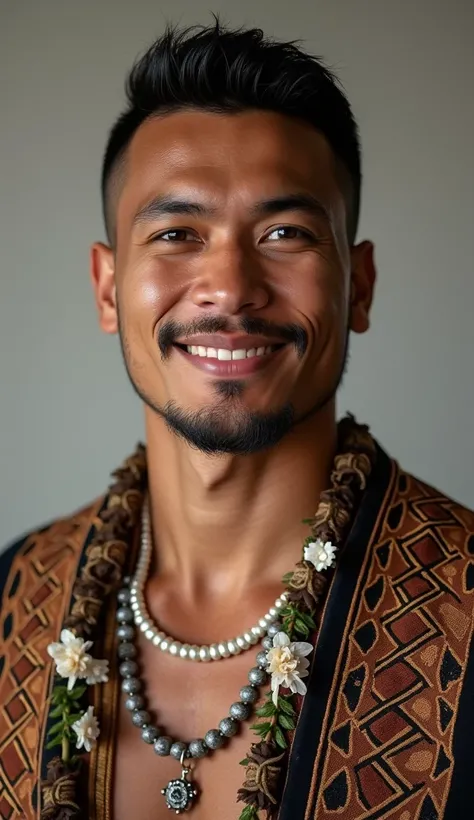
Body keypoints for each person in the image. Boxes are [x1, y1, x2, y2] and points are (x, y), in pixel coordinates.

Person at [0, 19, 473, 820]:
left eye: (284, 233)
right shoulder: (13, 601)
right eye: (177, 233)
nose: (230, 285)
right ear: (109, 288)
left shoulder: (462, 606)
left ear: (357, 285)